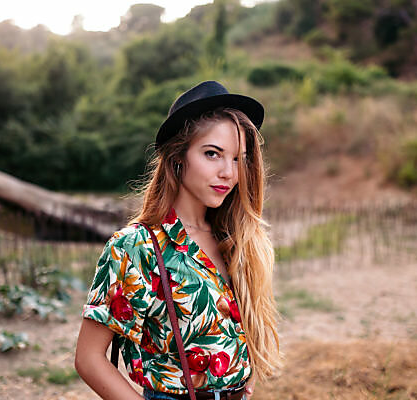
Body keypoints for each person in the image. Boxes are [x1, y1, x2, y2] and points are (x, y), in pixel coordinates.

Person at [74, 81, 281, 400]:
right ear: (178, 157)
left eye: (239, 159)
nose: (228, 172)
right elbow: (89, 359)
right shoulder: (137, 246)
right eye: (213, 154)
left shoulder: (236, 239)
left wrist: (243, 371)